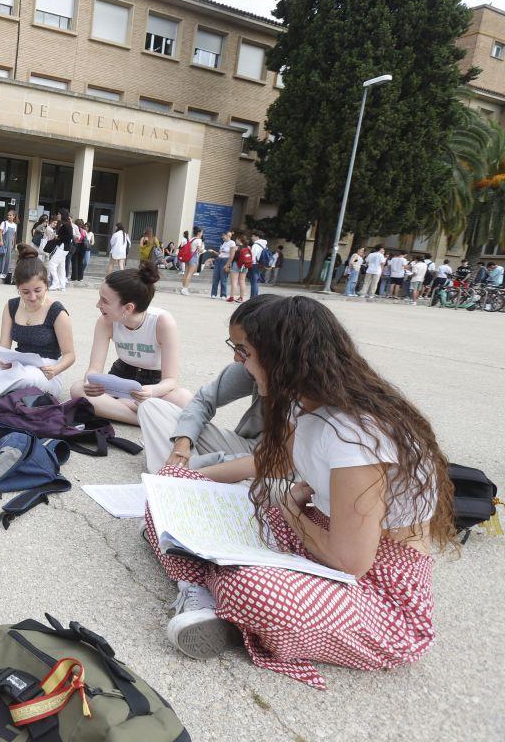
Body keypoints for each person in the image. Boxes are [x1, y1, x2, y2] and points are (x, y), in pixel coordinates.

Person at [150, 296, 453, 690]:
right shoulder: (303, 403)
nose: (240, 361)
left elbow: (350, 560)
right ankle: (207, 592)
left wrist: (291, 510)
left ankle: (211, 589)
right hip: (316, 530)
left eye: (247, 352)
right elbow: (271, 464)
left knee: (249, 586)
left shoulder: (355, 433)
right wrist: (186, 479)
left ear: (282, 358)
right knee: (167, 499)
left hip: (378, 586)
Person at [136, 294, 278, 474]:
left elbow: (284, 463)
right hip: (249, 450)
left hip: (275, 467)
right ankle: (178, 474)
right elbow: (203, 400)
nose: (236, 357)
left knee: (270, 488)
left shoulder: (306, 389)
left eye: (242, 349)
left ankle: (176, 474)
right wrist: (183, 441)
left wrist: (205, 464)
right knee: (152, 408)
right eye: (234, 347)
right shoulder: (249, 365)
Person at [70, 262, 192, 425]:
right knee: (78, 389)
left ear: (127, 308)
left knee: (185, 400)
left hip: (153, 384)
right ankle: (141, 419)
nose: (98, 305)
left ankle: (113, 409)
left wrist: (150, 392)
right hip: (120, 376)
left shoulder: (162, 322)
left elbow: (170, 380)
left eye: (104, 300)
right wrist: (89, 383)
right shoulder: (105, 322)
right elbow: (94, 369)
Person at [0, 245, 76, 403]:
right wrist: (2, 360)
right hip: (15, 365)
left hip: (45, 373)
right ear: (18, 289)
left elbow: (70, 355)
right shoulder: (12, 306)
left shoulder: (57, 312)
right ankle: (4, 383)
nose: (33, 297)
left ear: (46, 285)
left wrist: (56, 369)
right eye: (26, 292)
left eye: (38, 290)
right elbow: (4, 349)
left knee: (26, 376)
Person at [43, 212, 72, 291]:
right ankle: (62, 285)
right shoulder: (66, 224)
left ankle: (56, 283)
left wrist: (58, 237)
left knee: (52, 264)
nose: (58, 215)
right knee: (61, 267)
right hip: (64, 247)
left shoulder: (65, 225)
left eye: (59, 214)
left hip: (63, 247)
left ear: (62, 215)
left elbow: (69, 236)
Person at [179, 227, 205, 295]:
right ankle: (185, 289)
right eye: (202, 232)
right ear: (199, 233)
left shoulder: (191, 239)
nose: (202, 234)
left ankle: (183, 288)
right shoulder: (198, 240)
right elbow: (199, 250)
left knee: (186, 273)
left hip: (188, 256)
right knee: (190, 273)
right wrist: (204, 250)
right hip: (193, 256)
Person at [0, 209, 18, 282]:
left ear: (14, 216)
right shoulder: (4, 223)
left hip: (10, 244)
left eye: (10, 215)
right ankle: (0, 272)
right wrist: (1, 241)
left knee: (8, 258)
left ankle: (5, 272)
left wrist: (14, 245)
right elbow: (0, 233)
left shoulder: (15, 225)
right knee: (2, 257)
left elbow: (14, 236)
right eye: (8, 215)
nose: (9, 216)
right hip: (4, 242)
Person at [211, 230, 234, 299]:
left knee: (223, 279)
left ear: (227, 236)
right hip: (218, 260)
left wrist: (227, 265)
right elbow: (220, 254)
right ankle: (213, 294)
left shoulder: (232, 243)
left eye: (223, 235)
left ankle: (223, 295)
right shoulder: (223, 243)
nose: (222, 237)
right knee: (215, 278)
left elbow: (232, 255)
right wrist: (213, 252)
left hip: (225, 261)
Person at [247, 231, 267, 297]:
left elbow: (253, 256)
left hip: (254, 265)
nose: (251, 237)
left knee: (254, 282)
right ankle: (255, 297)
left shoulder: (255, 245)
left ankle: (253, 297)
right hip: (261, 265)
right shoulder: (264, 245)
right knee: (255, 282)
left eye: (253, 236)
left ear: (257, 236)